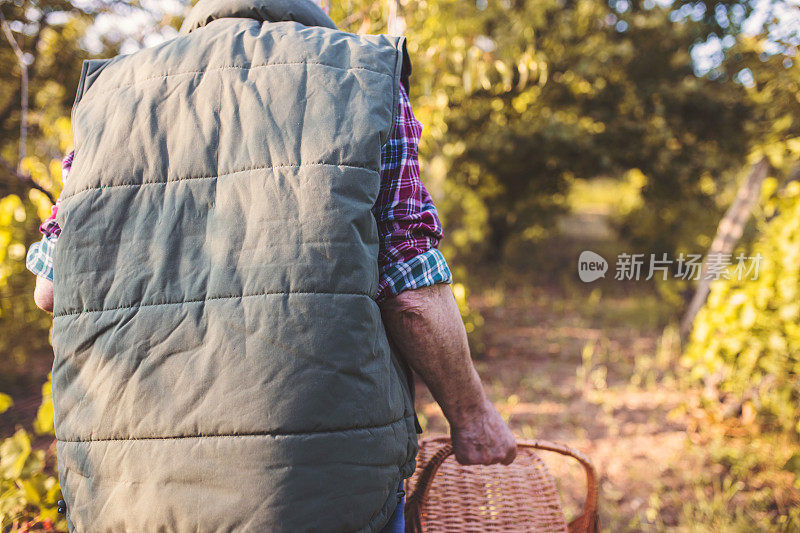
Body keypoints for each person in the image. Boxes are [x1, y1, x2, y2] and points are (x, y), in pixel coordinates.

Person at [27, 0, 516, 530]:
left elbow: (52, 289)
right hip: (316, 487)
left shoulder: (110, 92)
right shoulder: (362, 75)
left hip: (126, 490)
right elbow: (411, 289)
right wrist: (471, 417)